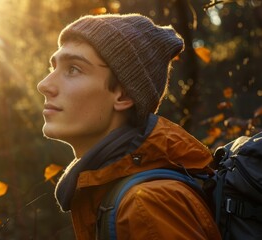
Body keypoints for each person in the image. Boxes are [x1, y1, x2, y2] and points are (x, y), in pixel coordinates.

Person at [37, 13, 221, 239]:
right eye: (52, 69)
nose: (44, 85)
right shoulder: (118, 194)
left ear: (123, 95)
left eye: (73, 69)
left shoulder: (146, 205)